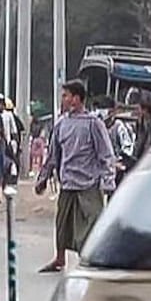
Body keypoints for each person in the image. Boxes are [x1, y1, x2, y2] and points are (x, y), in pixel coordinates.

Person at [36, 80, 115, 273]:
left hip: (89, 184)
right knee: (62, 223)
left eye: (65, 95)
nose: (62, 99)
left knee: (93, 220)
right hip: (68, 183)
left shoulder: (93, 123)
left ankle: (90, 258)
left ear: (76, 99)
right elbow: (53, 155)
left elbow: (106, 154)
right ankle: (60, 258)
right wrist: (43, 178)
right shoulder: (61, 123)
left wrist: (108, 181)